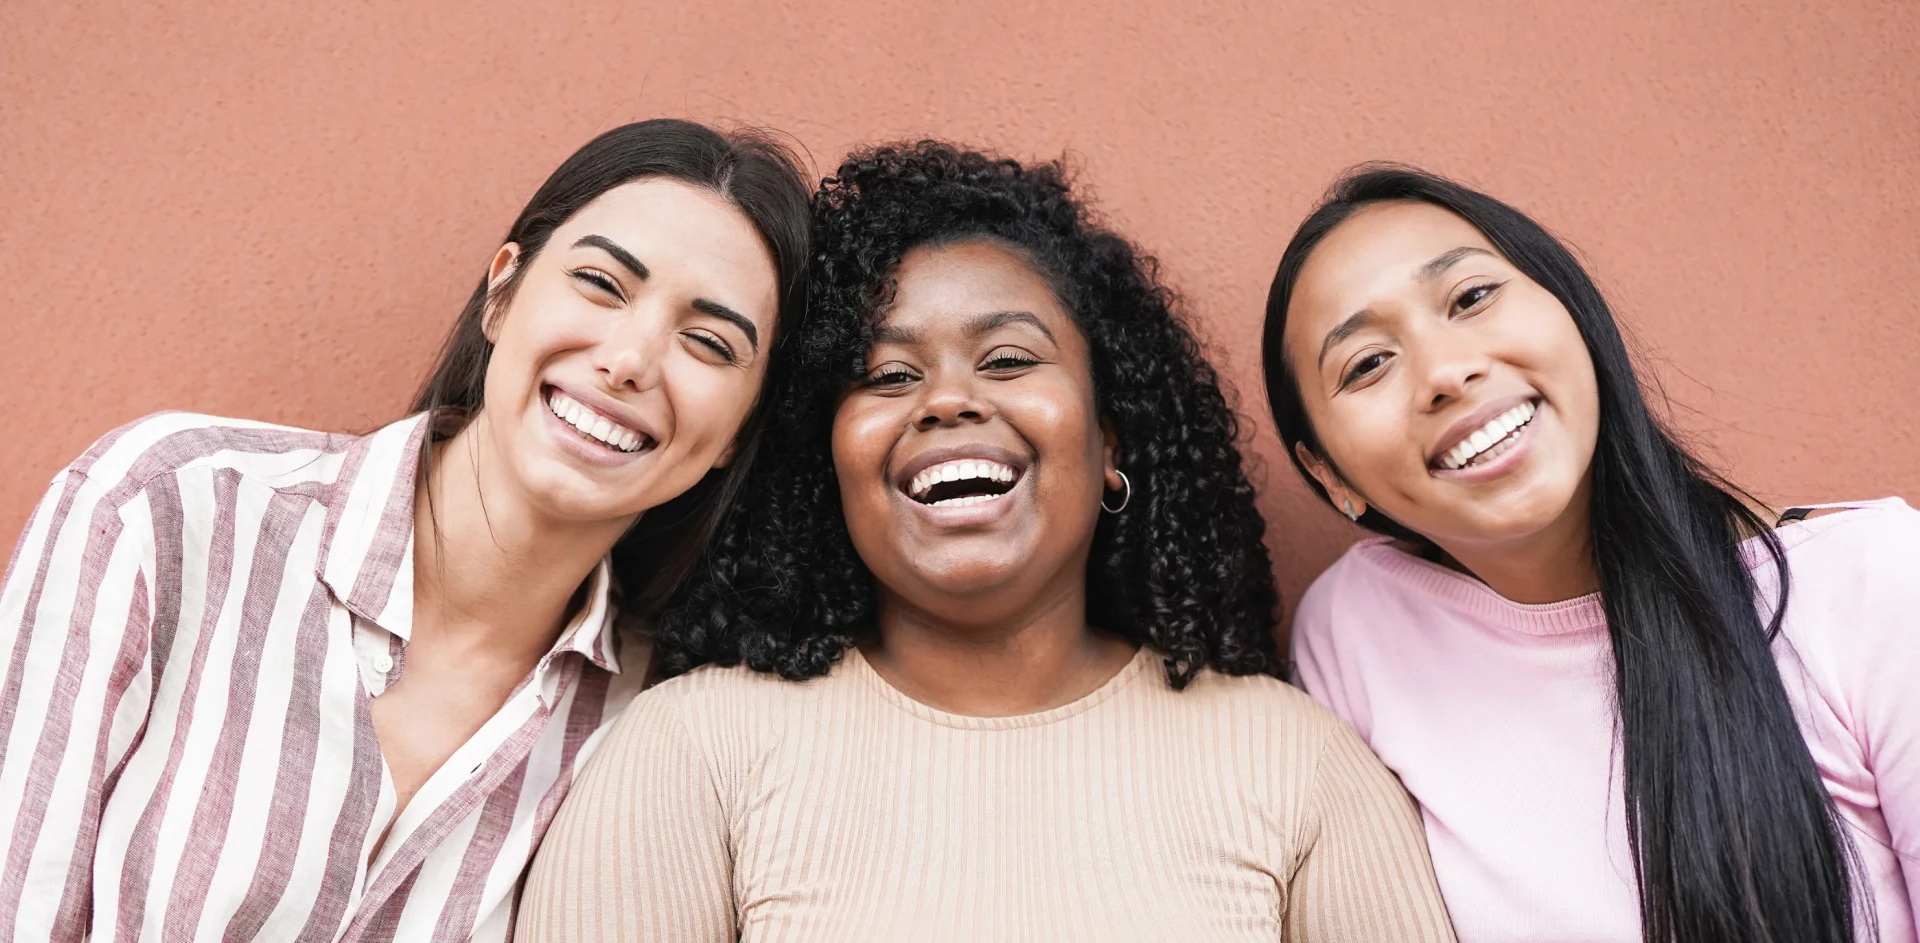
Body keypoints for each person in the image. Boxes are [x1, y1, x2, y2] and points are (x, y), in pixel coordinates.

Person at [518, 142, 1457, 942]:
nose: (950, 399)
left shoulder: (1298, 768)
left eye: (1009, 360)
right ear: (825, 459)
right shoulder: (695, 752)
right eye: (887, 374)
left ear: (1111, 437)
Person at [0, 118, 813, 942]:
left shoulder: (648, 726)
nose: (631, 358)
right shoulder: (171, 507)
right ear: (502, 292)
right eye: (602, 284)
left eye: (709, 342)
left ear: (739, 434)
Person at [1261, 165, 1919, 943]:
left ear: (1571, 309)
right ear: (1329, 475)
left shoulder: (1873, 581)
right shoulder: (1352, 632)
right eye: (1367, 363)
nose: (1446, 372)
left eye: (1470, 298)